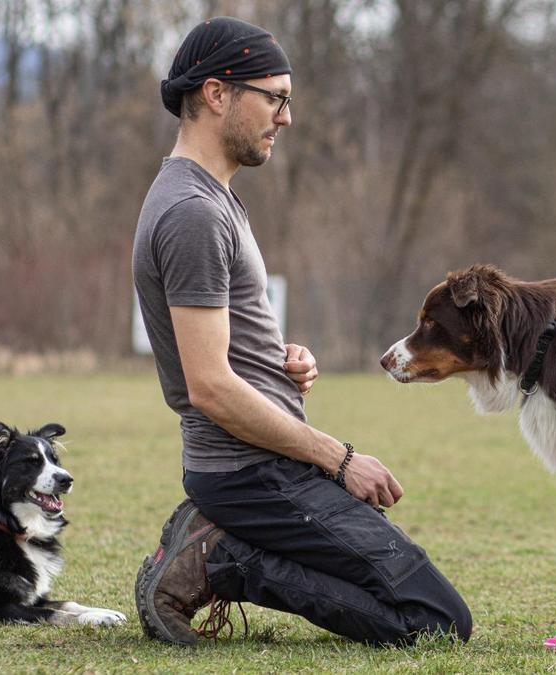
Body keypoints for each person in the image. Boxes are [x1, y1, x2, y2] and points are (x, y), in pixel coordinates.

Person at [131, 16, 471, 647]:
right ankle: (222, 558)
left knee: (421, 602)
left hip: (264, 465)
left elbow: (220, 353)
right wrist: (339, 458)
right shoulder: (192, 214)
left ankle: (222, 543)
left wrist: (280, 359)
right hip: (251, 473)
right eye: (275, 96)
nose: (284, 116)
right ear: (217, 93)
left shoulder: (214, 197)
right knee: (437, 624)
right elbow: (207, 387)